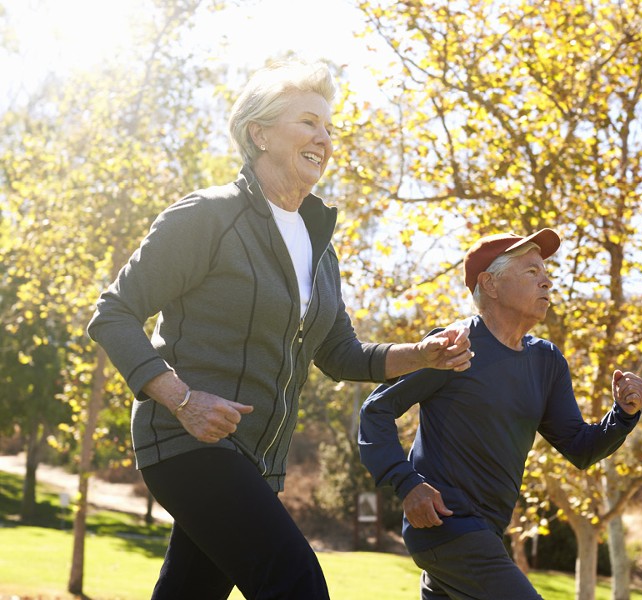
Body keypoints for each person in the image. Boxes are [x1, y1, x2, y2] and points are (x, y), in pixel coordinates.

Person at [86, 60, 472, 600]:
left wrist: (423, 354)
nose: (324, 138)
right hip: (184, 441)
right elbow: (114, 313)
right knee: (296, 585)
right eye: (309, 122)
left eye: (329, 128)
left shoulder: (319, 247)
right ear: (259, 133)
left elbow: (339, 354)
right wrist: (183, 399)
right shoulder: (208, 216)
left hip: (256, 461)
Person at [358, 229, 642, 600]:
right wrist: (407, 484)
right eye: (531, 272)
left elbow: (580, 447)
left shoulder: (546, 361)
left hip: (485, 534)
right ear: (490, 284)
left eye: (546, 272)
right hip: (446, 527)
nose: (547, 280)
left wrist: (622, 415)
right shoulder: (452, 346)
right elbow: (375, 410)